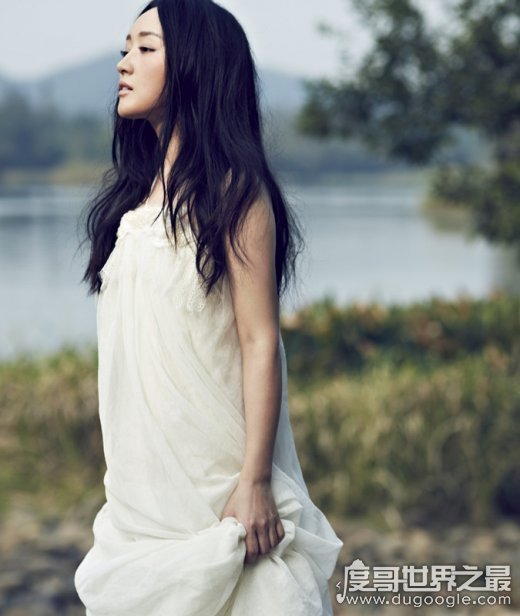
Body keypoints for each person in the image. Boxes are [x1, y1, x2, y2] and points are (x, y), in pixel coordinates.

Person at [74, 1, 343, 614]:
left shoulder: (235, 194)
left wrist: (254, 482)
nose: (123, 63)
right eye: (125, 48)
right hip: (143, 482)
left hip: (218, 476)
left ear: (197, 66)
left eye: (146, 48)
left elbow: (259, 341)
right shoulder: (131, 202)